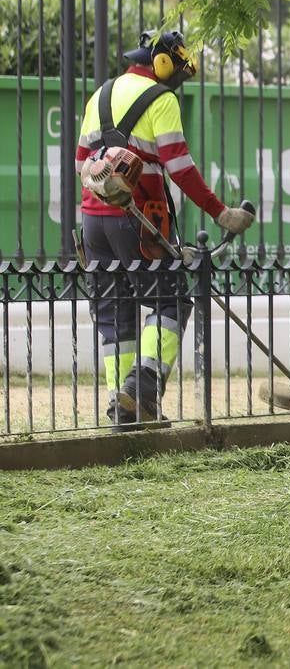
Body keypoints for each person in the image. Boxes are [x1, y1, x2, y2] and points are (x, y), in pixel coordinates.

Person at [75, 30, 255, 426]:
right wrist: (220, 212)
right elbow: (180, 168)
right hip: (136, 221)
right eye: (177, 69)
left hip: (92, 223)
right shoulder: (162, 99)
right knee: (170, 303)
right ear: (161, 63)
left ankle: (121, 408)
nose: (178, 78)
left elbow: (80, 165)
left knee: (115, 311)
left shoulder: (101, 94)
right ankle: (142, 391)